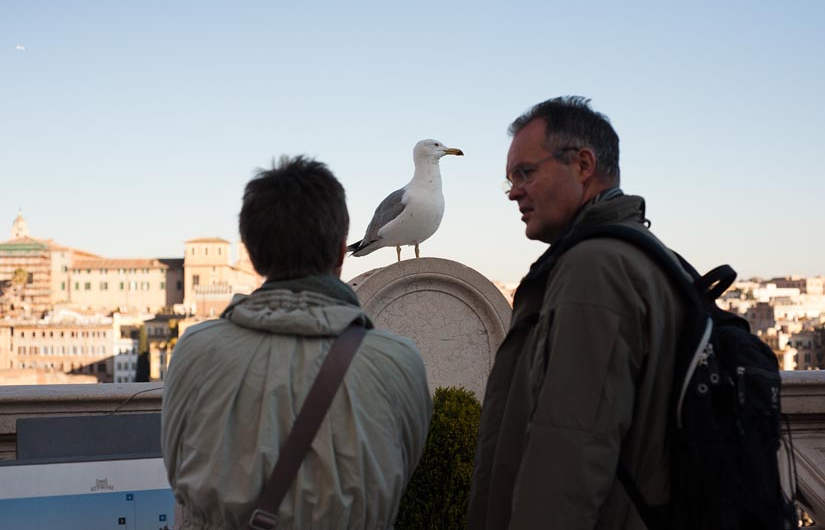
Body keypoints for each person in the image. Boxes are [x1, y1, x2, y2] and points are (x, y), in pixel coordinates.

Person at [161, 156, 432, 529]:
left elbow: (178, 471)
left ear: (254, 255)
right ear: (341, 251)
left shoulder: (195, 351)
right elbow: (401, 473)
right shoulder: (398, 361)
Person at [467, 97, 689, 529]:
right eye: (510, 179)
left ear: (583, 165)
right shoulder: (648, 257)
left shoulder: (595, 269)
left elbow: (567, 457)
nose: (513, 191)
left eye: (525, 173)